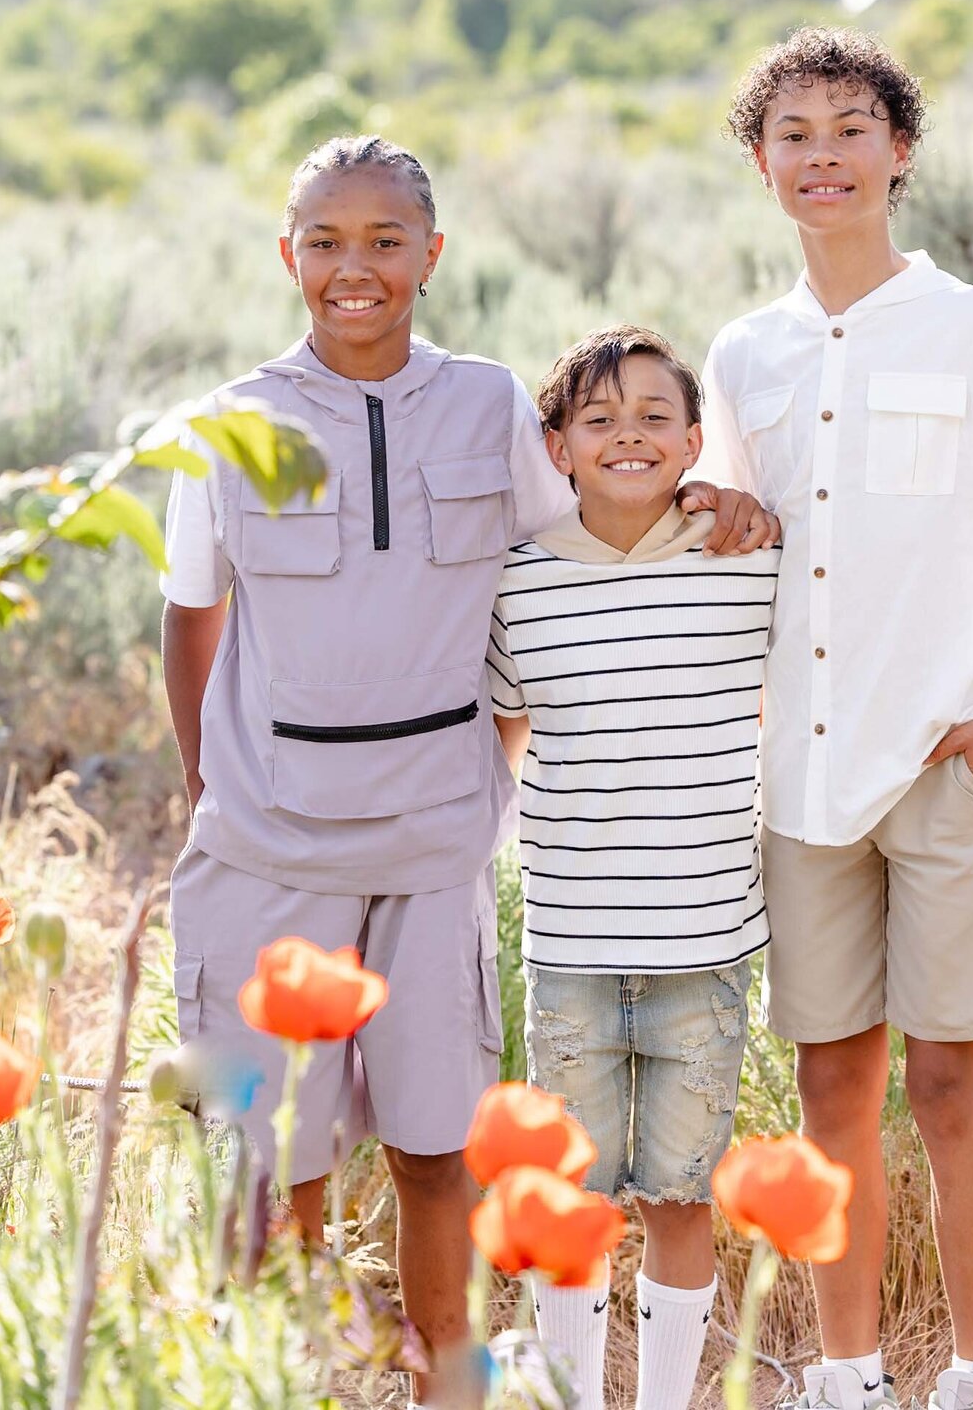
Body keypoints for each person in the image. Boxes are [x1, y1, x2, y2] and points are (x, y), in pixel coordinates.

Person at [160, 134, 775, 1404]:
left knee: (439, 1152)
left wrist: (718, 503)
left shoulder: (489, 403)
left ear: (432, 256)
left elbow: (587, 547)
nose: (355, 267)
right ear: (288, 256)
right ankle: (293, 1376)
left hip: (435, 851)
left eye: (386, 240)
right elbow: (191, 621)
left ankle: (451, 1380)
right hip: (271, 847)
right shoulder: (226, 424)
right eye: (326, 240)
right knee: (276, 1161)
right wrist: (213, 793)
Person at [701, 28, 973, 1410]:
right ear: (762, 164)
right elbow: (724, 534)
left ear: (900, 152)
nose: (823, 156)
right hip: (802, 771)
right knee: (832, 1092)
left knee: (949, 1084)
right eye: (795, 134)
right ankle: (847, 1374)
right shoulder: (746, 351)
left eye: (849, 129)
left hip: (948, 756)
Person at [487, 325, 781, 1410]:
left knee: (681, 1195)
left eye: (656, 417)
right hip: (568, 943)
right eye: (598, 419)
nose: (628, 436)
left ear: (696, 442)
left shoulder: (744, 562)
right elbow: (503, 738)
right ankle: (570, 1396)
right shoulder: (518, 585)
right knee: (567, 1197)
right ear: (555, 447)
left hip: (705, 946)